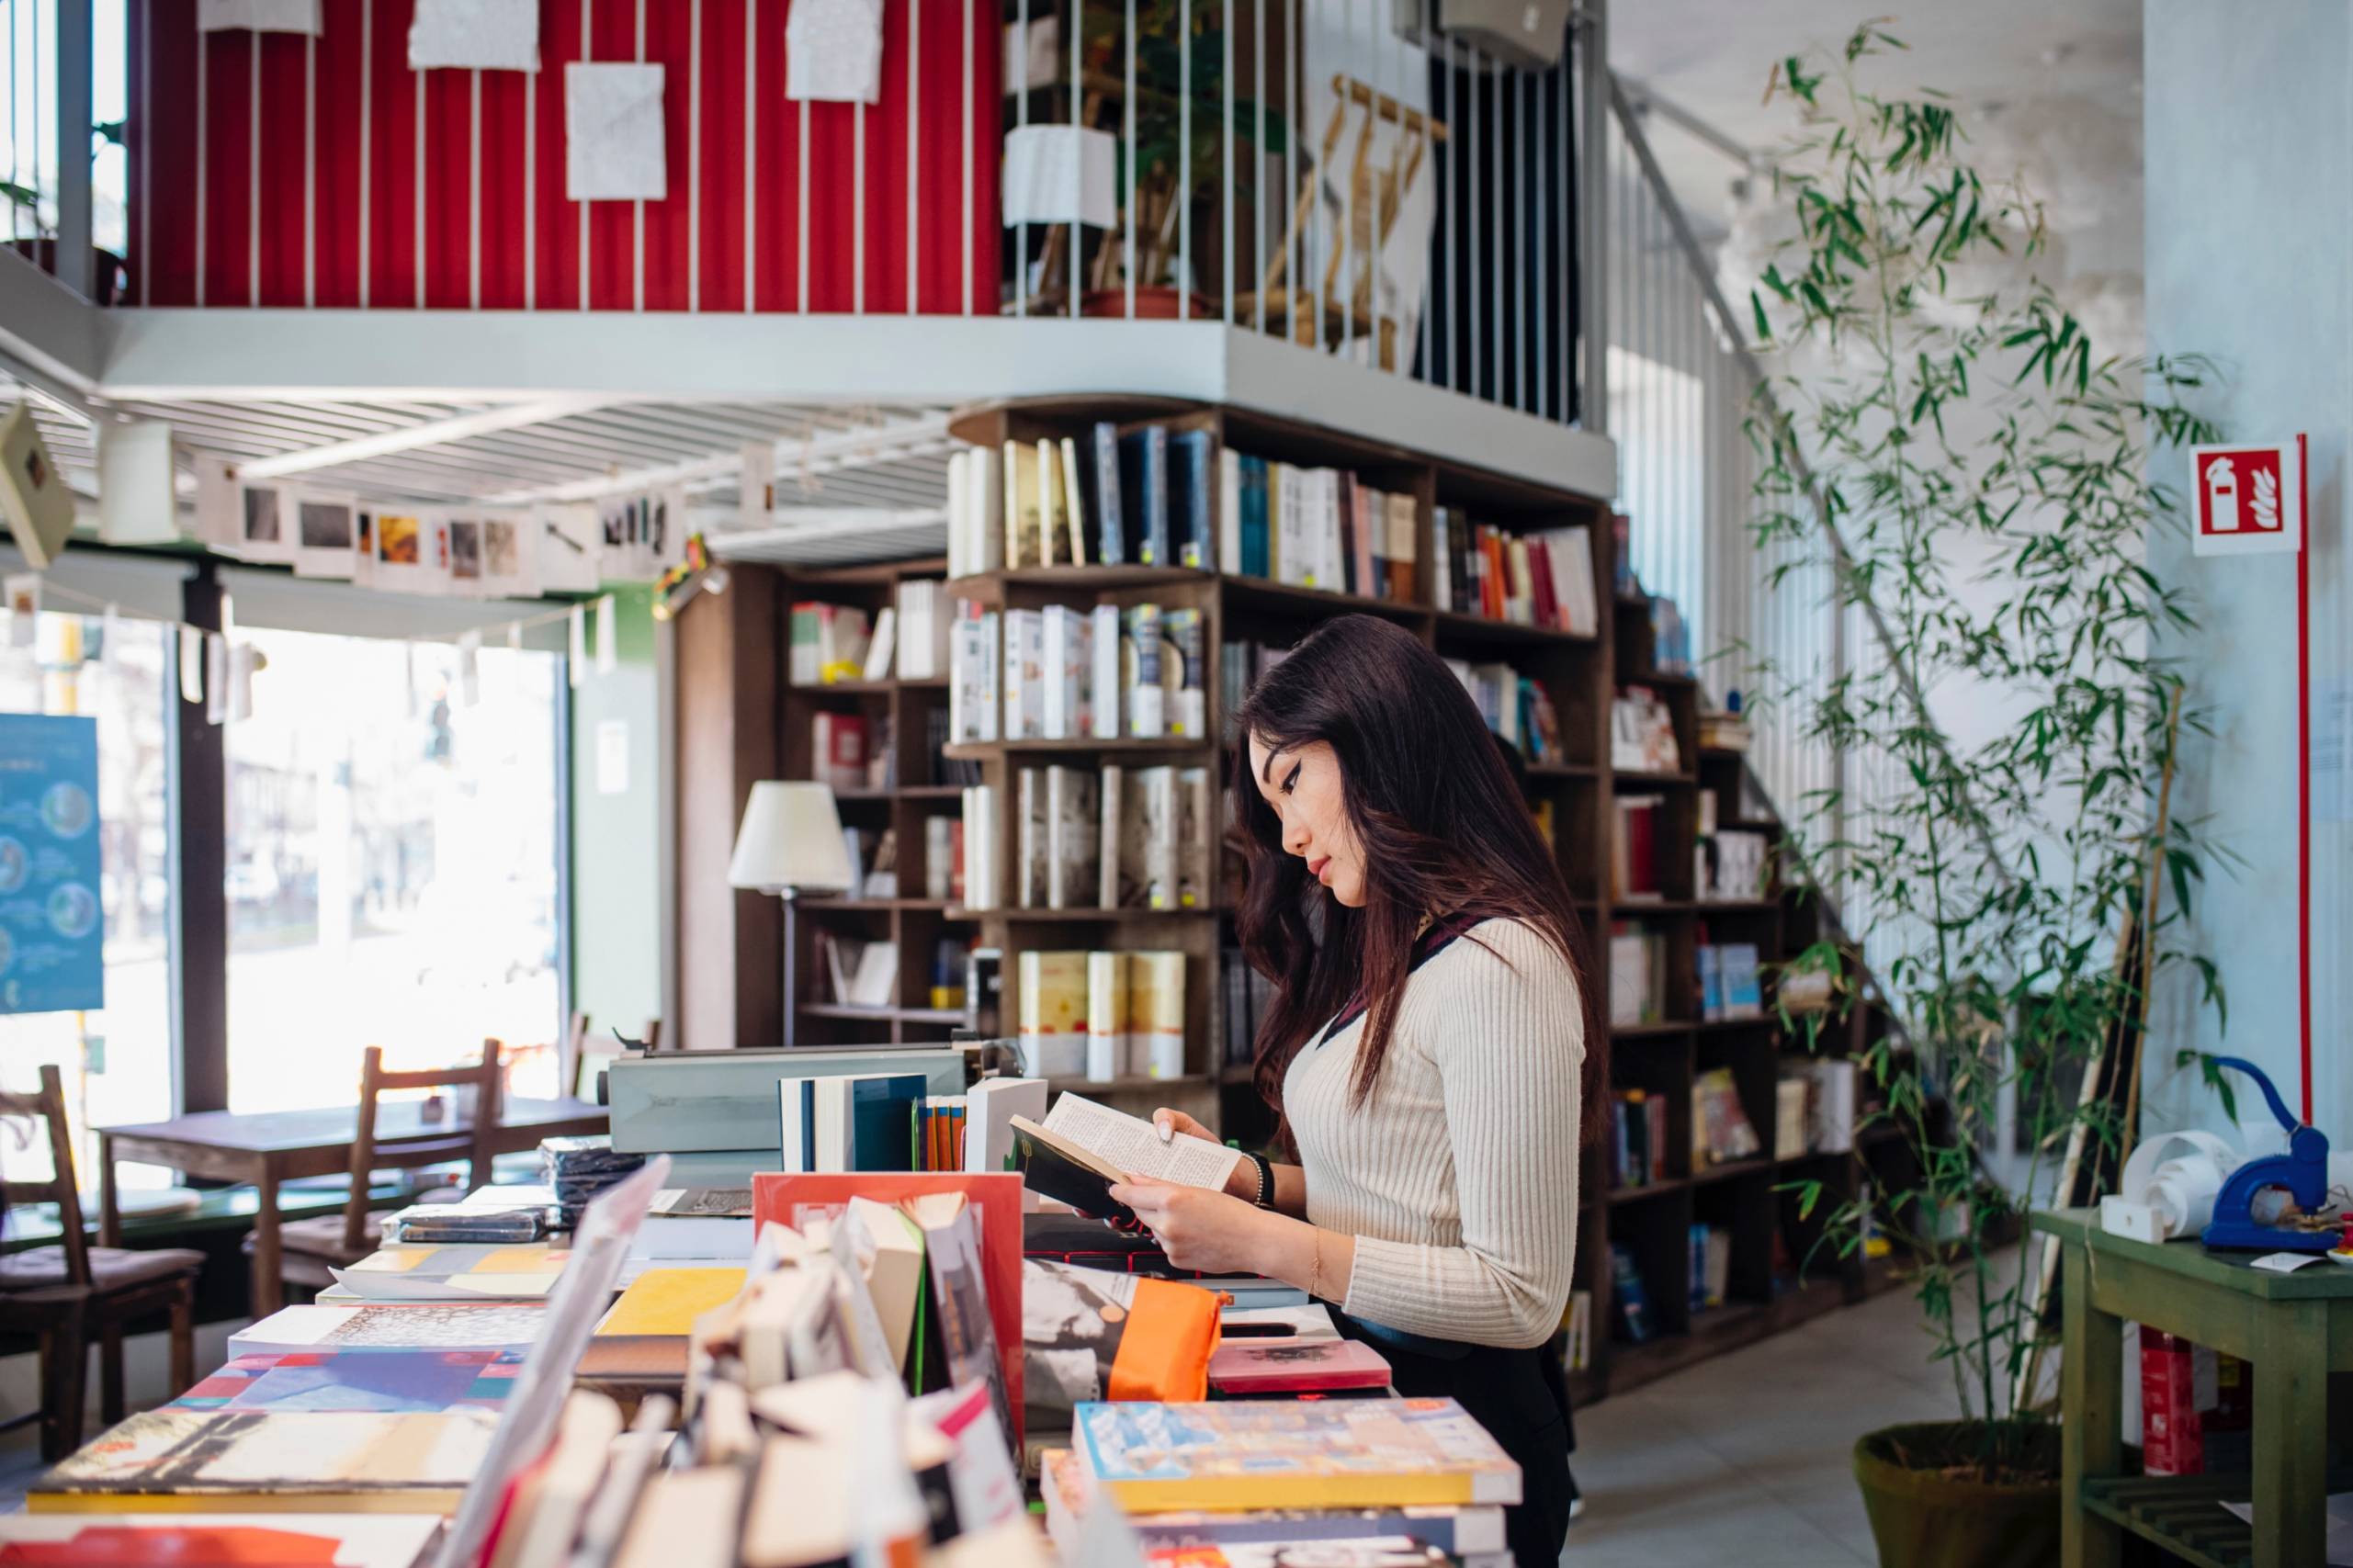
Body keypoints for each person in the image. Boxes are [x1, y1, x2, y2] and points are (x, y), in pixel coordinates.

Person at [1108, 615, 1601, 1568]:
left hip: (1468, 1430)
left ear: (1377, 735)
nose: (1289, 837)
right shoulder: (1407, 948)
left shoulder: (1500, 964)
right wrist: (1241, 1180)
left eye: (1292, 780)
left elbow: (1519, 1296)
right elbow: (1398, 1192)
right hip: (1381, 1395)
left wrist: (1259, 1243)